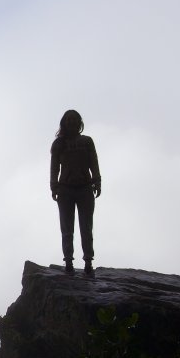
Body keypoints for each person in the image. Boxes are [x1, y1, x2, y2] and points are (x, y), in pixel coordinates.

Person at [49, 109, 101, 275]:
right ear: (64, 122)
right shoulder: (58, 144)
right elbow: (54, 167)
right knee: (67, 228)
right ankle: (69, 261)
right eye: (68, 119)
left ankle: (88, 261)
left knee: (86, 227)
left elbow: (94, 162)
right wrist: (54, 185)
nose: (71, 122)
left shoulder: (87, 142)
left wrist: (97, 180)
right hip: (65, 189)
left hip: (85, 188)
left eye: (74, 119)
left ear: (79, 123)